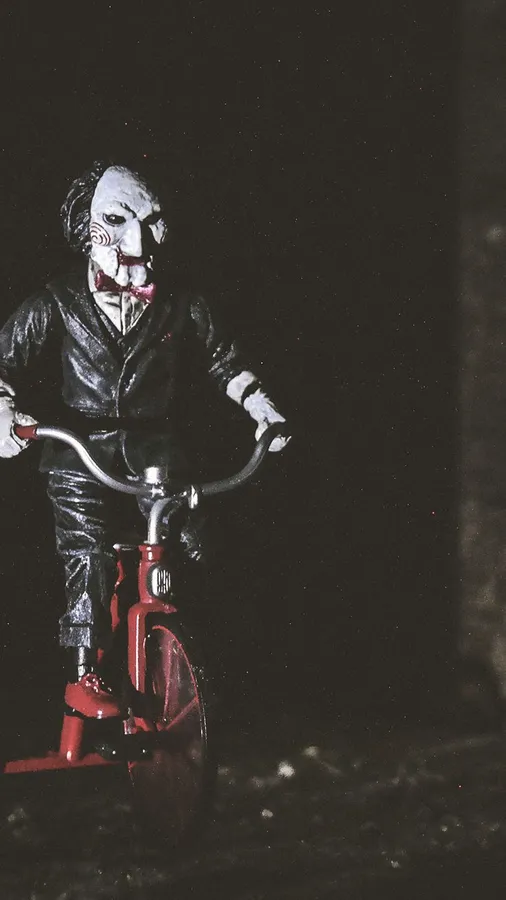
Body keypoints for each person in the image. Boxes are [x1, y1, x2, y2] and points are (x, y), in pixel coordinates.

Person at [0, 159, 289, 715]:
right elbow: (3, 359)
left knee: (193, 543)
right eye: (117, 219)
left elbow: (224, 360)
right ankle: (83, 675)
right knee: (86, 551)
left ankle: (192, 663)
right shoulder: (56, 301)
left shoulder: (181, 303)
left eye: (152, 221)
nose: (138, 240)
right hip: (78, 451)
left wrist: (260, 406)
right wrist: (4, 409)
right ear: (85, 227)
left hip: (154, 451)